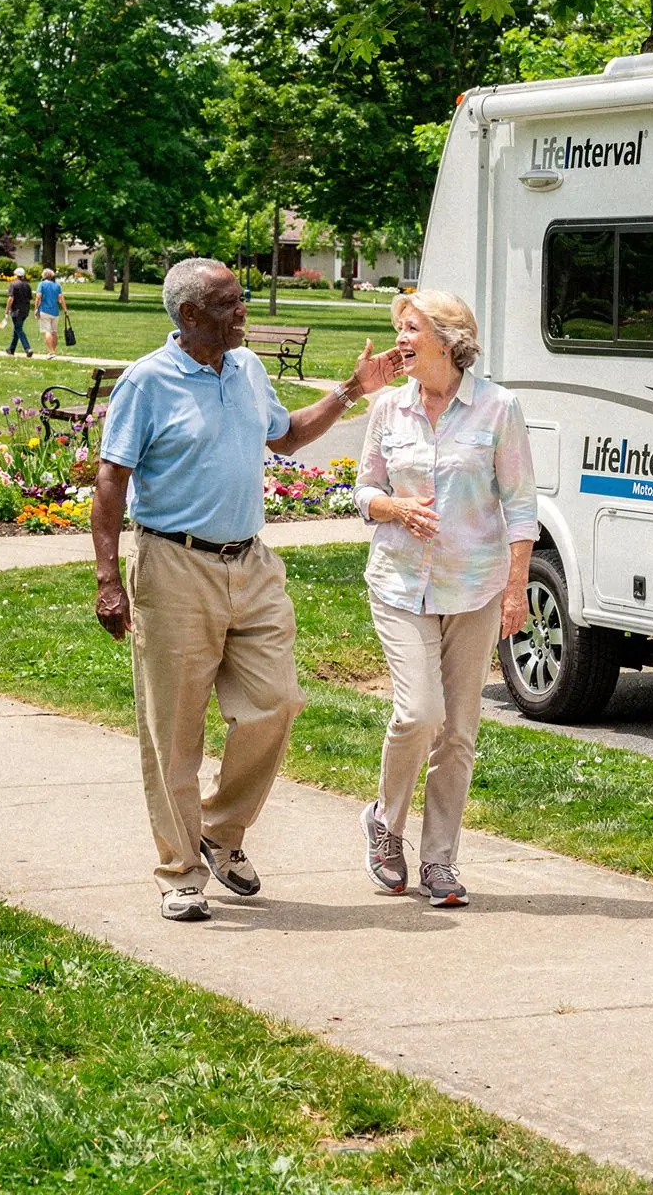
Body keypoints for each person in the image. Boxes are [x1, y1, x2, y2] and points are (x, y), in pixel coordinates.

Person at [92, 257, 402, 922]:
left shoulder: (247, 368)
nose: (245, 313)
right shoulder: (148, 383)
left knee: (276, 702)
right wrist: (107, 579)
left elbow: (287, 436)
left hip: (251, 564)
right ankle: (179, 872)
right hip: (173, 565)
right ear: (191, 315)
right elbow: (111, 482)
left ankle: (220, 831)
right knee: (172, 732)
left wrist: (352, 389)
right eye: (233, 304)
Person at [355, 290, 538, 908]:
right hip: (401, 584)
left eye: (409, 329)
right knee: (419, 713)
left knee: (458, 731)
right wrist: (392, 507)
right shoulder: (388, 408)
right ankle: (386, 823)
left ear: (446, 338)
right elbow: (364, 490)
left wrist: (516, 588)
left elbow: (519, 504)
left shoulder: (497, 407)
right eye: (398, 329)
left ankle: (438, 862)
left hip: (474, 586)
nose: (398, 340)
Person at [34, 267, 67, 356]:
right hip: (55, 312)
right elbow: (61, 299)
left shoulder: (42, 284)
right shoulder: (57, 285)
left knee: (47, 331)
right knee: (54, 332)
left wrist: (36, 308)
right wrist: (65, 310)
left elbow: (38, 297)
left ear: (44, 275)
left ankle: (51, 352)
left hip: (44, 310)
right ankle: (53, 351)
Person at [4, 267, 34, 357]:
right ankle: (11, 349)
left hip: (16, 311)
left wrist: (7, 309)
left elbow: (11, 298)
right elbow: (29, 298)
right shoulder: (27, 285)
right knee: (17, 329)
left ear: (16, 275)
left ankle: (27, 348)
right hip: (25, 310)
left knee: (18, 329)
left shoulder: (13, 284)